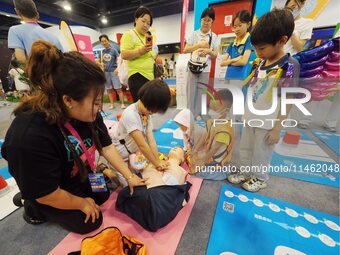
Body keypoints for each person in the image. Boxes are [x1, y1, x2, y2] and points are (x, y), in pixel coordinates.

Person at [1, 40, 146, 234]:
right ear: (68, 100)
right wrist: (79, 203)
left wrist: (129, 177)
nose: (99, 109)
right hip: (50, 189)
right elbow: (48, 193)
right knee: (90, 221)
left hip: (76, 173)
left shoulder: (86, 113)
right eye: (95, 103)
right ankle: (32, 205)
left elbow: (106, 146)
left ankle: (39, 191)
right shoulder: (30, 136)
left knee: (102, 195)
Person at [227, 9, 300, 192]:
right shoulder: (260, 62)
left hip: (268, 122)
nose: (258, 52)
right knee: (246, 148)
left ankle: (259, 177)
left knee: (261, 152)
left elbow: (287, 98)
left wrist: (277, 128)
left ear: (282, 41)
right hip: (250, 116)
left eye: (262, 48)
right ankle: (245, 171)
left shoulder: (289, 66)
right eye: (256, 48)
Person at [116, 146, 191, 232]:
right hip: (146, 189)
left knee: (155, 195)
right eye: (174, 147)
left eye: (178, 149)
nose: (175, 148)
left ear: (182, 159)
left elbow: (175, 184)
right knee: (128, 192)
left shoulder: (180, 170)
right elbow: (139, 166)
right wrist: (138, 156)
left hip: (157, 196)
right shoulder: (156, 160)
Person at [113, 80, 171, 172]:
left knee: (143, 172)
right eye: (151, 109)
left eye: (155, 111)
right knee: (127, 181)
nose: (152, 113)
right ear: (145, 99)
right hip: (121, 153)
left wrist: (157, 160)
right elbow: (142, 145)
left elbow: (151, 140)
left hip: (134, 151)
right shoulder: (130, 114)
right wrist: (156, 163)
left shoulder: (146, 113)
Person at [283, 0, 315, 130]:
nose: (292, 9)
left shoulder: (307, 23)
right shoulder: (280, 20)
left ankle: (282, 127)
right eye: (289, 7)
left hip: (290, 63)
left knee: (286, 95)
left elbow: (299, 47)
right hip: (274, 61)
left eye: (295, 7)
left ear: (301, 6)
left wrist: (290, 29)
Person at [192, 89, 235, 180]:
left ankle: (224, 172)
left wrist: (202, 161)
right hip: (208, 153)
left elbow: (214, 149)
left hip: (216, 160)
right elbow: (204, 137)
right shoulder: (211, 121)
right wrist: (195, 150)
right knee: (192, 160)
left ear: (226, 111)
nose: (211, 112)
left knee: (199, 173)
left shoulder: (225, 130)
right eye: (210, 108)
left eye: (215, 109)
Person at [184, 7, 218, 118]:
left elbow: (216, 55)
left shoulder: (214, 37)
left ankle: (198, 115)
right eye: (204, 19)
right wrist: (198, 45)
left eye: (209, 20)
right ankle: (189, 115)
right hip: (193, 68)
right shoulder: (194, 34)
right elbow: (185, 49)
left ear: (212, 22)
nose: (206, 22)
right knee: (190, 93)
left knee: (201, 94)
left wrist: (208, 51)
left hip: (205, 70)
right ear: (200, 20)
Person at [8, 0, 63, 65]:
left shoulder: (15, 30)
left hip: (33, 73)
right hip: (53, 73)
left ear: (17, 11)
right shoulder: (53, 36)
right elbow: (61, 59)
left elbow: (21, 59)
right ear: (37, 14)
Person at [120, 6, 156, 102]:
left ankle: (146, 118)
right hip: (137, 77)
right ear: (136, 19)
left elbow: (152, 56)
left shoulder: (147, 37)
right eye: (143, 21)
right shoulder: (129, 34)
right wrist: (140, 51)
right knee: (141, 108)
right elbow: (124, 54)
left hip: (150, 77)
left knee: (148, 107)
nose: (145, 25)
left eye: (148, 24)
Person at [221, 10, 254, 81]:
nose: (237, 29)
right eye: (235, 26)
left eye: (240, 25)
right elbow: (222, 63)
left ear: (248, 24)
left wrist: (229, 62)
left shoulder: (249, 40)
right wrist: (235, 59)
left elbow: (243, 62)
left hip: (239, 78)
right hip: (228, 76)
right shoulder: (232, 44)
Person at [99, 34, 126, 110]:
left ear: (108, 40)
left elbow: (119, 60)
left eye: (105, 41)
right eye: (102, 41)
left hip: (114, 72)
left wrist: (117, 68)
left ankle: (122, 104)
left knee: (118, 89)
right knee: (108, 89)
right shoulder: (102, 52)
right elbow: (101, 62)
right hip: (106, 73)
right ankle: (112, 104)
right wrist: (101, 65)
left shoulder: (113, 50)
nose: (104, 43)